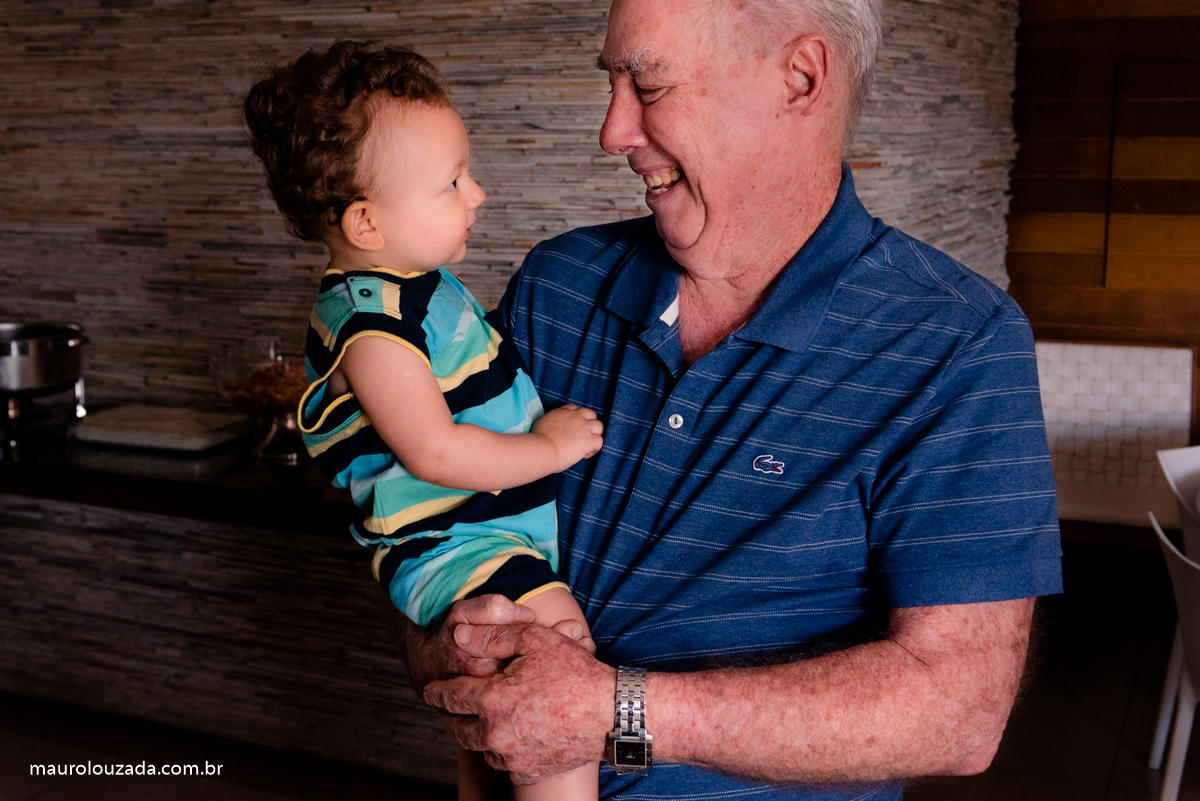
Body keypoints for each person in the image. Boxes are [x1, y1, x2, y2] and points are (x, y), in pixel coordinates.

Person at [407, 0, 1065, 799]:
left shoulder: (957, 342)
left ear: (801, 78)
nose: (612, 132)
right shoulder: (557, 287)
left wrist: (612, 711)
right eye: (611, 84)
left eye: (647, 86)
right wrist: (445, 641)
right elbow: (432, 520)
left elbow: (958, 711)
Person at [242, 42, 605, 801]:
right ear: (367, 222)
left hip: (486, 532)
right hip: (457, 539)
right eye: (451, 183)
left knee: (495, 702)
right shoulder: (370, 327)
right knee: (559, 665)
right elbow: (434, 450)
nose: (477, 193)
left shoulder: (416, 285)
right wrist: (548, 446)